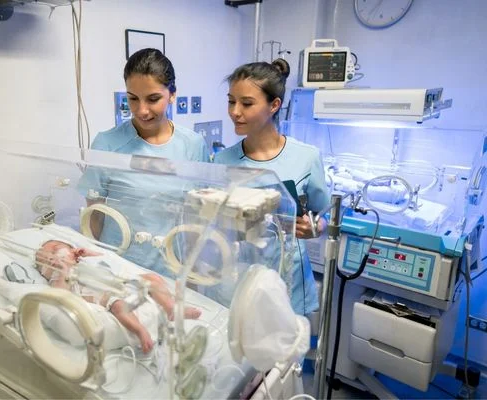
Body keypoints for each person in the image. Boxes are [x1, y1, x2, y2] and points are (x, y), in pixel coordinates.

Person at [213, 59, 330, 316]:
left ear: (274, 105)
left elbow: (323, 216)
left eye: (246, 103)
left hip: (287, 278)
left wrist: (315, 227)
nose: (235, 111)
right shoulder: (223, 161)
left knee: (283, 351)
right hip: (237, 279)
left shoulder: (305, 157)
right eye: (231, 101)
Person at [77, 48, 209, 276]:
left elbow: (196, 219)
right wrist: (94, 268)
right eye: (133, 99)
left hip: (170, 268)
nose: (141, 110)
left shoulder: (193, 145)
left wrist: (192, 275)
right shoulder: (107, 143)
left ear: (172, 94)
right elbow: (94, 216)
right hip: (118, 265)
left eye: (153, 99)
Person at [36, 239, 201, 353]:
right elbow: (59, 294)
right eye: (45, 259)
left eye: (56, 248)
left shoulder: (84, 262)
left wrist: (87, 253)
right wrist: (62, 270)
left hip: (123, 283)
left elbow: (106, 259)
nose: (52, 255)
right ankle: (140, 330)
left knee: (152, 278)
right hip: (105, 295)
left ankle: (171, 307)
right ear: (44, 273)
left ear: (73, 252)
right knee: (119, 306)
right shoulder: (59, 277)